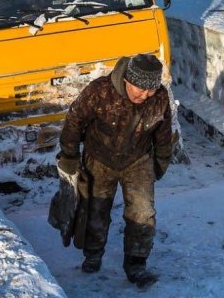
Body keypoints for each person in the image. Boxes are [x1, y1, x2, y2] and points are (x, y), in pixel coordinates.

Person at [56, 53, 179, 289]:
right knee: (96, 210)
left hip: (138, 159)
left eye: (151, 90)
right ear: (127, 80)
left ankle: (136, 264)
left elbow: (163, 133)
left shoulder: (160, 97)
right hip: (99, 158)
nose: (145, 95)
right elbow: (74, 120)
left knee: (143, 213)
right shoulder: (100, 91)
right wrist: (69, 154)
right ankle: (93, 254)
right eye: (140, 89)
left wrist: (161, 161)